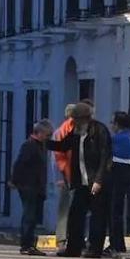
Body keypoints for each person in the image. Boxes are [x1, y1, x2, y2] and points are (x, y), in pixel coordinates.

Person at [47, 102, 112, 257]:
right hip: (80, 181)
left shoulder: (99, 130)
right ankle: (73, 248)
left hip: (95, 181)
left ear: (85, 118)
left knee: (97, 216)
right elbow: (63, 146)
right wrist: (45, 142)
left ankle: (94, 249)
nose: (73, 122)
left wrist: (99, 180)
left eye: (76, 119)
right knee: (76, 215)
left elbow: (105, 157)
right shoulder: (76, 132)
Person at [11, 119, 54, 255]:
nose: (48, 138)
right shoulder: (29, 146)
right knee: (29, 215)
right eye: (47, 135)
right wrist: (14, 180)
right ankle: (26, 245)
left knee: (33, 216)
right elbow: (19, 164)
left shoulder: (40, 146)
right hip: (28, 185)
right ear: (40, 133)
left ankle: (29, 244)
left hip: (36, 186)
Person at [106, 111, 130, 254]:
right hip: (125, 176)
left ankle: (116, 244)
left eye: (113, 123)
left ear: (118, 124)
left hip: (118, 176)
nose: (111, 125)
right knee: (116, 211)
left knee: (114, 211)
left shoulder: (119, 139)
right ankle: (117, 244)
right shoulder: (129, 137)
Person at [51, 104, 76, 251]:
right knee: (64, 209)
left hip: (76, 176)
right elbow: (55, 159)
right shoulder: (60, 132)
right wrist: (58, 177)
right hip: (65, 176)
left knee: (75, 209)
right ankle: (61, 239)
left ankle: (73, 238)